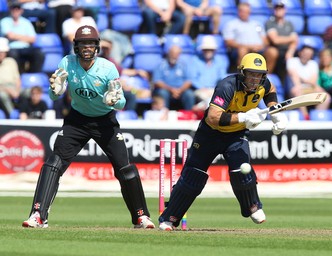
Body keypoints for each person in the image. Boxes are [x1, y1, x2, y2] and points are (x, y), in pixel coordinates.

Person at [22, 25, 155, 229]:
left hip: (105, 122)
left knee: (125, 169)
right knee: (53, 163)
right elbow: (54, 94)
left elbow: (122, 104)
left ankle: (141, 216)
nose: (87, 47)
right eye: (83, 43)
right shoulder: (67, 62)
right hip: (77, 121)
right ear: (76, 46)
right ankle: (38, 215)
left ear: (96, 46)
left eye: (91, 43)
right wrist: (55, 90)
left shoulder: (108, 68)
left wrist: (113, 101)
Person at [158, 53, 289, 231]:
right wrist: (243, 117)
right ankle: (169, 219)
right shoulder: (227, 86)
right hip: (209, 135)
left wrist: (276, 115)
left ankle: (253, 206)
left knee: (242, 169)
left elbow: (271, 89)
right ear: (242, 72)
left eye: (259, 75)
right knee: (193, 177)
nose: (254, 79)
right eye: (251, 74)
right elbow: (213, 117)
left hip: (236, 135)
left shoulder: (264, 83)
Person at [286, 45, 331, 119]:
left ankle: (317, 117)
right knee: (298, 92)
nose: (307, 55)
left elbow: (313, 81)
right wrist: (305, 81)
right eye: (305, 53)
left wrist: (301, 78)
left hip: (311, 88)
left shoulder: (314, 64)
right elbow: (294, 79)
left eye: (309, 54)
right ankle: (306, 117)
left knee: (326, 97)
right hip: (296, 89)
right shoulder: (292, 61)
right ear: (300, 53)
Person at [0, 1, 44, 73]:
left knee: (39, 53)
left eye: (18, 8)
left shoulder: (26, 22)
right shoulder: (4, 21)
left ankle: (33, 75)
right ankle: (18, 75)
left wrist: (15, 36)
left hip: (25, 48)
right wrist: (25, 38)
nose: (16, 10)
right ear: (10, 9)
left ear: (21, 10)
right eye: (13, 8)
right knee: (13, 54)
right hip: (11, 48)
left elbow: (33, 39)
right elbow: (9, 35)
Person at [222, 2, 268, 69]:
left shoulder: (257, 24)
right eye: (242, 11)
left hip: (258, 49)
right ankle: (242, 74)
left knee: (272, 52)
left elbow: (265, 40)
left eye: (247, 11)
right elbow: (228, 41)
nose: (244, 13)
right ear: (238, 11)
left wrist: (261, 46)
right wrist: (248, 47)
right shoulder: (231, 24)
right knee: (242, 50)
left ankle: (266, 75)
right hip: (239, 50)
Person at [152, 45, 195, 110]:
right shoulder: (160, 65)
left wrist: (179, 90)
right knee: (162, 93)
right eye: (172, 53)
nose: (174, 56)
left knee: (189, 94)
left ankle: (189, 115)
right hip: (166, 90)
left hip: (180, 90)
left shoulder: (184, 65)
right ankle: (163, 114)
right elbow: (157, 81)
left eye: (176, 54)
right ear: (168, 53)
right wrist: (171, 90)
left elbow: (189, 81)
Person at [191, 35, 227, 113]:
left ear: (214, 51)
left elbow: (222, 77)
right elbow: (193, 79)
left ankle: (202, 108)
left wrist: (217, 89)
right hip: (200, 89)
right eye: (206, 50)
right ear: (202, 50)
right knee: (208, 98)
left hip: (214, 89)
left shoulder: (219, 61)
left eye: (210, 50)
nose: (208, 52)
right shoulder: (195, 61)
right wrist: (202, 87)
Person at [264, 1, 298, 83]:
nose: (279, 10)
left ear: (285, 10)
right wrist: (290, 38)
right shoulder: (270, 22)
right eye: (277, 8)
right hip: (275, 49)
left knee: (295, 57)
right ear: (274, 10)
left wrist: (291, 51)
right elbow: (275, 40)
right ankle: (266, 80)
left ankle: (292, 85)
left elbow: (295, 40)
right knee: (273, 52)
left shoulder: (289, 24)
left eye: (281, 8)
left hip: (287, 51)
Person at [0, 37, 21, 119]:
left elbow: (18, 79)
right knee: (2, 95)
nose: (0, 54)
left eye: (2, 52)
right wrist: (8, 90)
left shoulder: (11, 61)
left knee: (28, 92)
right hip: (2, 89)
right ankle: (13, 116)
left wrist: (17, 91)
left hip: (14, 88)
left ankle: (26, 115)